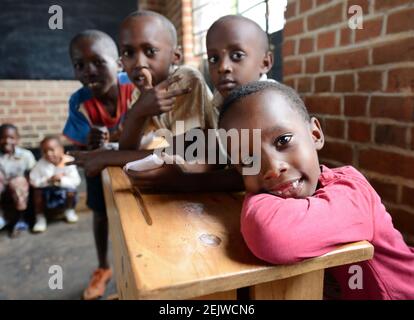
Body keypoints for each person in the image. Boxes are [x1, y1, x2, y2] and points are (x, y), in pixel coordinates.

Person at [218, 81, 414, 300]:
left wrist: (253, 192)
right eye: (248, 159)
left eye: (283, 141)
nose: (273, 168)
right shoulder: (281, 197)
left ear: (315, 135)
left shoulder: (351, 193)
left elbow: (271, 237)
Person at [70, 11, 243, 192]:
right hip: (199, 166)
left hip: (219, 166)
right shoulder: (141, 94)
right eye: (129, 53)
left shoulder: (184, 80)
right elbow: (128, 147)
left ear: (176, 56)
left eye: (150, 51)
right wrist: (138, 112)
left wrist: (108, 157)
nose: (139, 63)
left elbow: (188, 151)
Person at [63, 29, 135, 300]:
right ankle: (104, 268)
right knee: (101, 212)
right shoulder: (79, 102)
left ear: (118, 65)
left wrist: (115, 137)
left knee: (136, 213)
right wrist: (93, 144)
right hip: (98, 162)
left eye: (98, 62)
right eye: (79, 65)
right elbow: (82, 153)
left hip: (135, 157)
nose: (88, 71)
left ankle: (137, 268)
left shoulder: (135, 86)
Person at [205, 14, 274, 129]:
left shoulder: (275, 105)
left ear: (265, 63)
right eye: (214, 59)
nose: (223, 67)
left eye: (237, 55)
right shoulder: (217, 103)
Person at [29, 136, 81, 233]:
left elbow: (76, 181)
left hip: (63, 190)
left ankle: (69, 210)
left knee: (71, 191)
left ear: (61, 150)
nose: (48, 154)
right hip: (47, 191)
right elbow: (33, 181)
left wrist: (61, 179)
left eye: (52, 150)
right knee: (37, 193)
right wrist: (48, 180)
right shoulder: (40, 164)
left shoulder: (69, 161)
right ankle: (40, 217)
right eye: (44, 151)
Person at [0, 123, 36, 237]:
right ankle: (2, 218)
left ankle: (20, 220)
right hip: (2, 188)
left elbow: (33, 174)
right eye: (2, 137)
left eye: (11, 138)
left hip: (20, 190)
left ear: (17, 139)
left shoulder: (26, 155)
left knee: (18, 182)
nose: (7, 141)